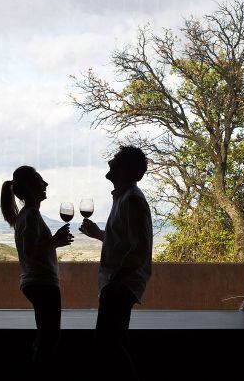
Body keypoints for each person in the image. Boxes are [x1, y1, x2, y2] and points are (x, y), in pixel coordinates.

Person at [79, 146, 152, 380]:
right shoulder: (124, 197)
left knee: (107, 343)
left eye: (116, 159)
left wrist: (115, 282)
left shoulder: (131, 200)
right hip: (118, 282)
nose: (110, 161)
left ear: (124, 169)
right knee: (114, 341)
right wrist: (99, 234)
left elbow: (139, 250)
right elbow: (124, 241)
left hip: (121, 283)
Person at [1, 165, 74, 369]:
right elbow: (31, 251)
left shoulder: (27, 215)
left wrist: (55, 242)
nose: (46, 184)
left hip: (36, 282)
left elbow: (34, 249)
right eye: (41, 181)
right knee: (49, 340)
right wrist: (54, 240)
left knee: (45, 337)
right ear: (32, 187)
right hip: (42, 283)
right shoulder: (31, 215)